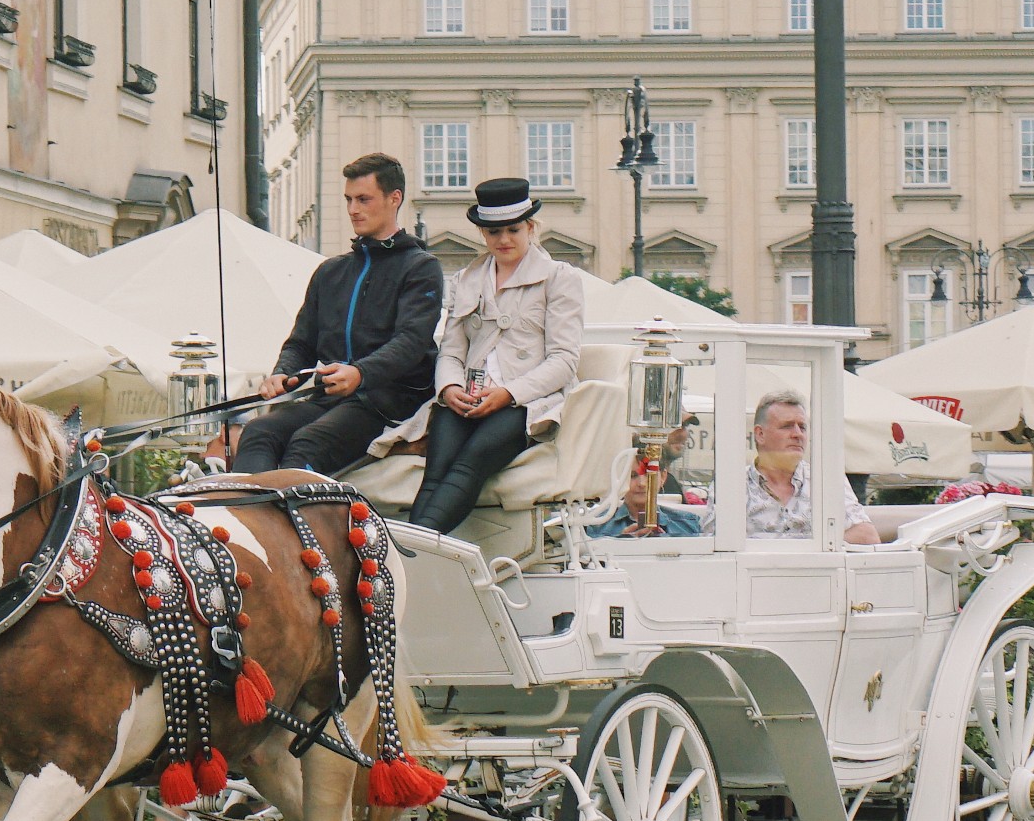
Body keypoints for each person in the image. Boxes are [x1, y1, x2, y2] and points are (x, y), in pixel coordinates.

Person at [233, 153, 444, 475]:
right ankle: (248, 522)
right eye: (348, 200)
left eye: (363, 199)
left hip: (387, 402)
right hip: (329, 397)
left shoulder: (421, 267)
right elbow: (301, 342)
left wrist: (360, 373)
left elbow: (411, 342)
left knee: (307, 444)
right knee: (257, 432)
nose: (353, 210)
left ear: (394, 198)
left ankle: (285, 521)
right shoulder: (330, 272)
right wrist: (282, 373)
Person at [406, 178, 584, 533]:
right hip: (467, 398)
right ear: (482, 234)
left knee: (468, 465)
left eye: (513, 230)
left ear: (531, 228)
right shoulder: (466, 279)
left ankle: (413, 554)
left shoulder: (558, 277)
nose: (503, 240)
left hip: (526, 403)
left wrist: (508, 394)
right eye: (493, 232)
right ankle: (416, 555)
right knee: (436, 472)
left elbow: (564, 361)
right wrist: (449, 389)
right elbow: (452, 351)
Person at [746, 391, 880, 545]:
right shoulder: (733, 488)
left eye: (802, 427)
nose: (797, 434)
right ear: (760, 434)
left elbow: (868, 537)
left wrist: (797, 553)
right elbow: (714, 548)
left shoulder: (825, 480)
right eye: (787, 426)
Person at [590, 457, 704, 538]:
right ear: (619, 478)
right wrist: (621, 544)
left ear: (663, 476)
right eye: (632, 475)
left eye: (649, 474)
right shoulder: (595, 526)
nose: (642, 483)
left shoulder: (689, 524)